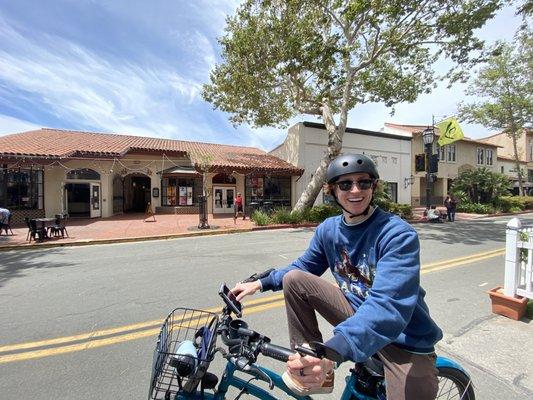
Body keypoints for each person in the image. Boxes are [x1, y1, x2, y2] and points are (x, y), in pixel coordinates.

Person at [231, 154, 442, 400]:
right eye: (345, 184)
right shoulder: (329, 230)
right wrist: (260, 283)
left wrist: (333, 351)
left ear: (373, 187)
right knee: (295, 279)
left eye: (363, 183)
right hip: (356, 315)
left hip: (403, 339)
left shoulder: (396, 234)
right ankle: (309, 360)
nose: (355, 190)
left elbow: (387, 307)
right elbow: (304, 266)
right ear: (332, 190)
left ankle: (322, 359)